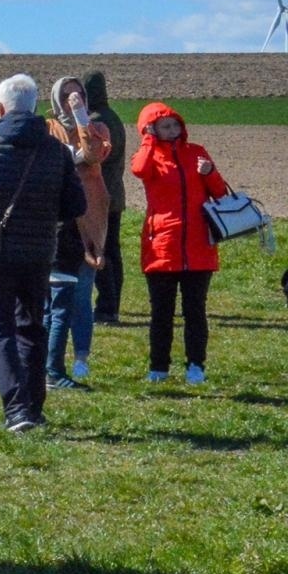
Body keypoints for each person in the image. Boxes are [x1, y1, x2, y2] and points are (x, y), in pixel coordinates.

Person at [0, 74, 85, 433]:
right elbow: (76, 204)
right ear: (35, 106)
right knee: (32, 326)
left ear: (0, 107)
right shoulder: (55, 149)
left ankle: (16, 409)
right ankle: (33, 407)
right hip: (38, 252)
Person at [131, 102, 230, 384]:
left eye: (175, 125)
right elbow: (139, 170)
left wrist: (209, 171)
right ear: (151, 129)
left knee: (195, 311)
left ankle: (196, 365)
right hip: (162, 246)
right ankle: (158, 367)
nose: (172, 130)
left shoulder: (196, 152)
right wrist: (149, 139)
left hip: (198, 246)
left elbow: (220, 193)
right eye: (164, 126)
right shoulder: (148, 156)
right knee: (161, 312)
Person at [43, 77, 111, 390]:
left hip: (89, 215)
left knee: (82, 294)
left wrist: (82, 119)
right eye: (68, 95)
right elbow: (58, 159)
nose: (75, 98)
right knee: (51, 296)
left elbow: (91, 154)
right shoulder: (46, 128)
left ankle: (81, 357)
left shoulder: (98, 128)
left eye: (79, 93)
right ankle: (47, 360)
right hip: (56, 220)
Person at [83, 70, 127, 324]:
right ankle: (112, 304)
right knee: (112, 251)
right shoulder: (113, 117)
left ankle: (107, 307)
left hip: (100, 196)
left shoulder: (98, 121)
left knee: (102, 252)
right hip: (114, 195)